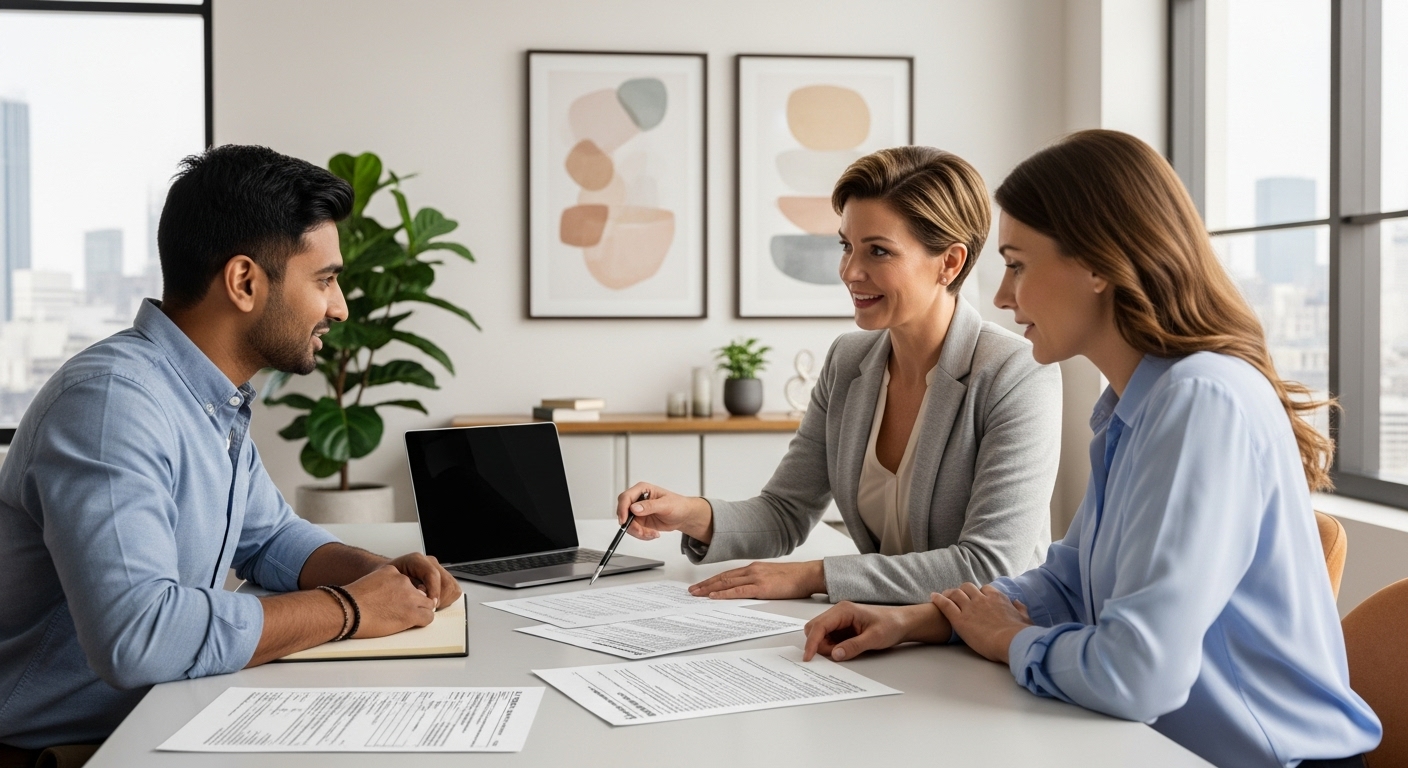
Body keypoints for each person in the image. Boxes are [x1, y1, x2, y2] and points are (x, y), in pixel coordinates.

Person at [799, 130, 1381, 768]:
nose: (1000, 295)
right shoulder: (1136, 404)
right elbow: (1068, 581)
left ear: (1099, 265)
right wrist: (924, 620)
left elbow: (1138, 675)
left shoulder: (1200, 399)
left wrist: (1013, 642)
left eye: (1017, 263)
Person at [0, 145, 463, 757]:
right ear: (245, 281)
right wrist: (349, 609)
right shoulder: (113, 406)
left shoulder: (207, 398)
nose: (339, 307)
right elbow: (139, 636)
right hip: (78, 748)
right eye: (324, 280)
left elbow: (270, 539)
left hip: (163, 717)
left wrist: (375, 572)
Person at [616, 146, 1062, 605]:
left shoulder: (1016, 373)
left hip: (992, 642)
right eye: (846, 246)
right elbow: (786, 511)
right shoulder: (849, 360)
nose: (849, 271)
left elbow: (988, 565)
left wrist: (813, 576)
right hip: (887, 634)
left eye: (879, 251)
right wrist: (689, 512)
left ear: (949, 262)